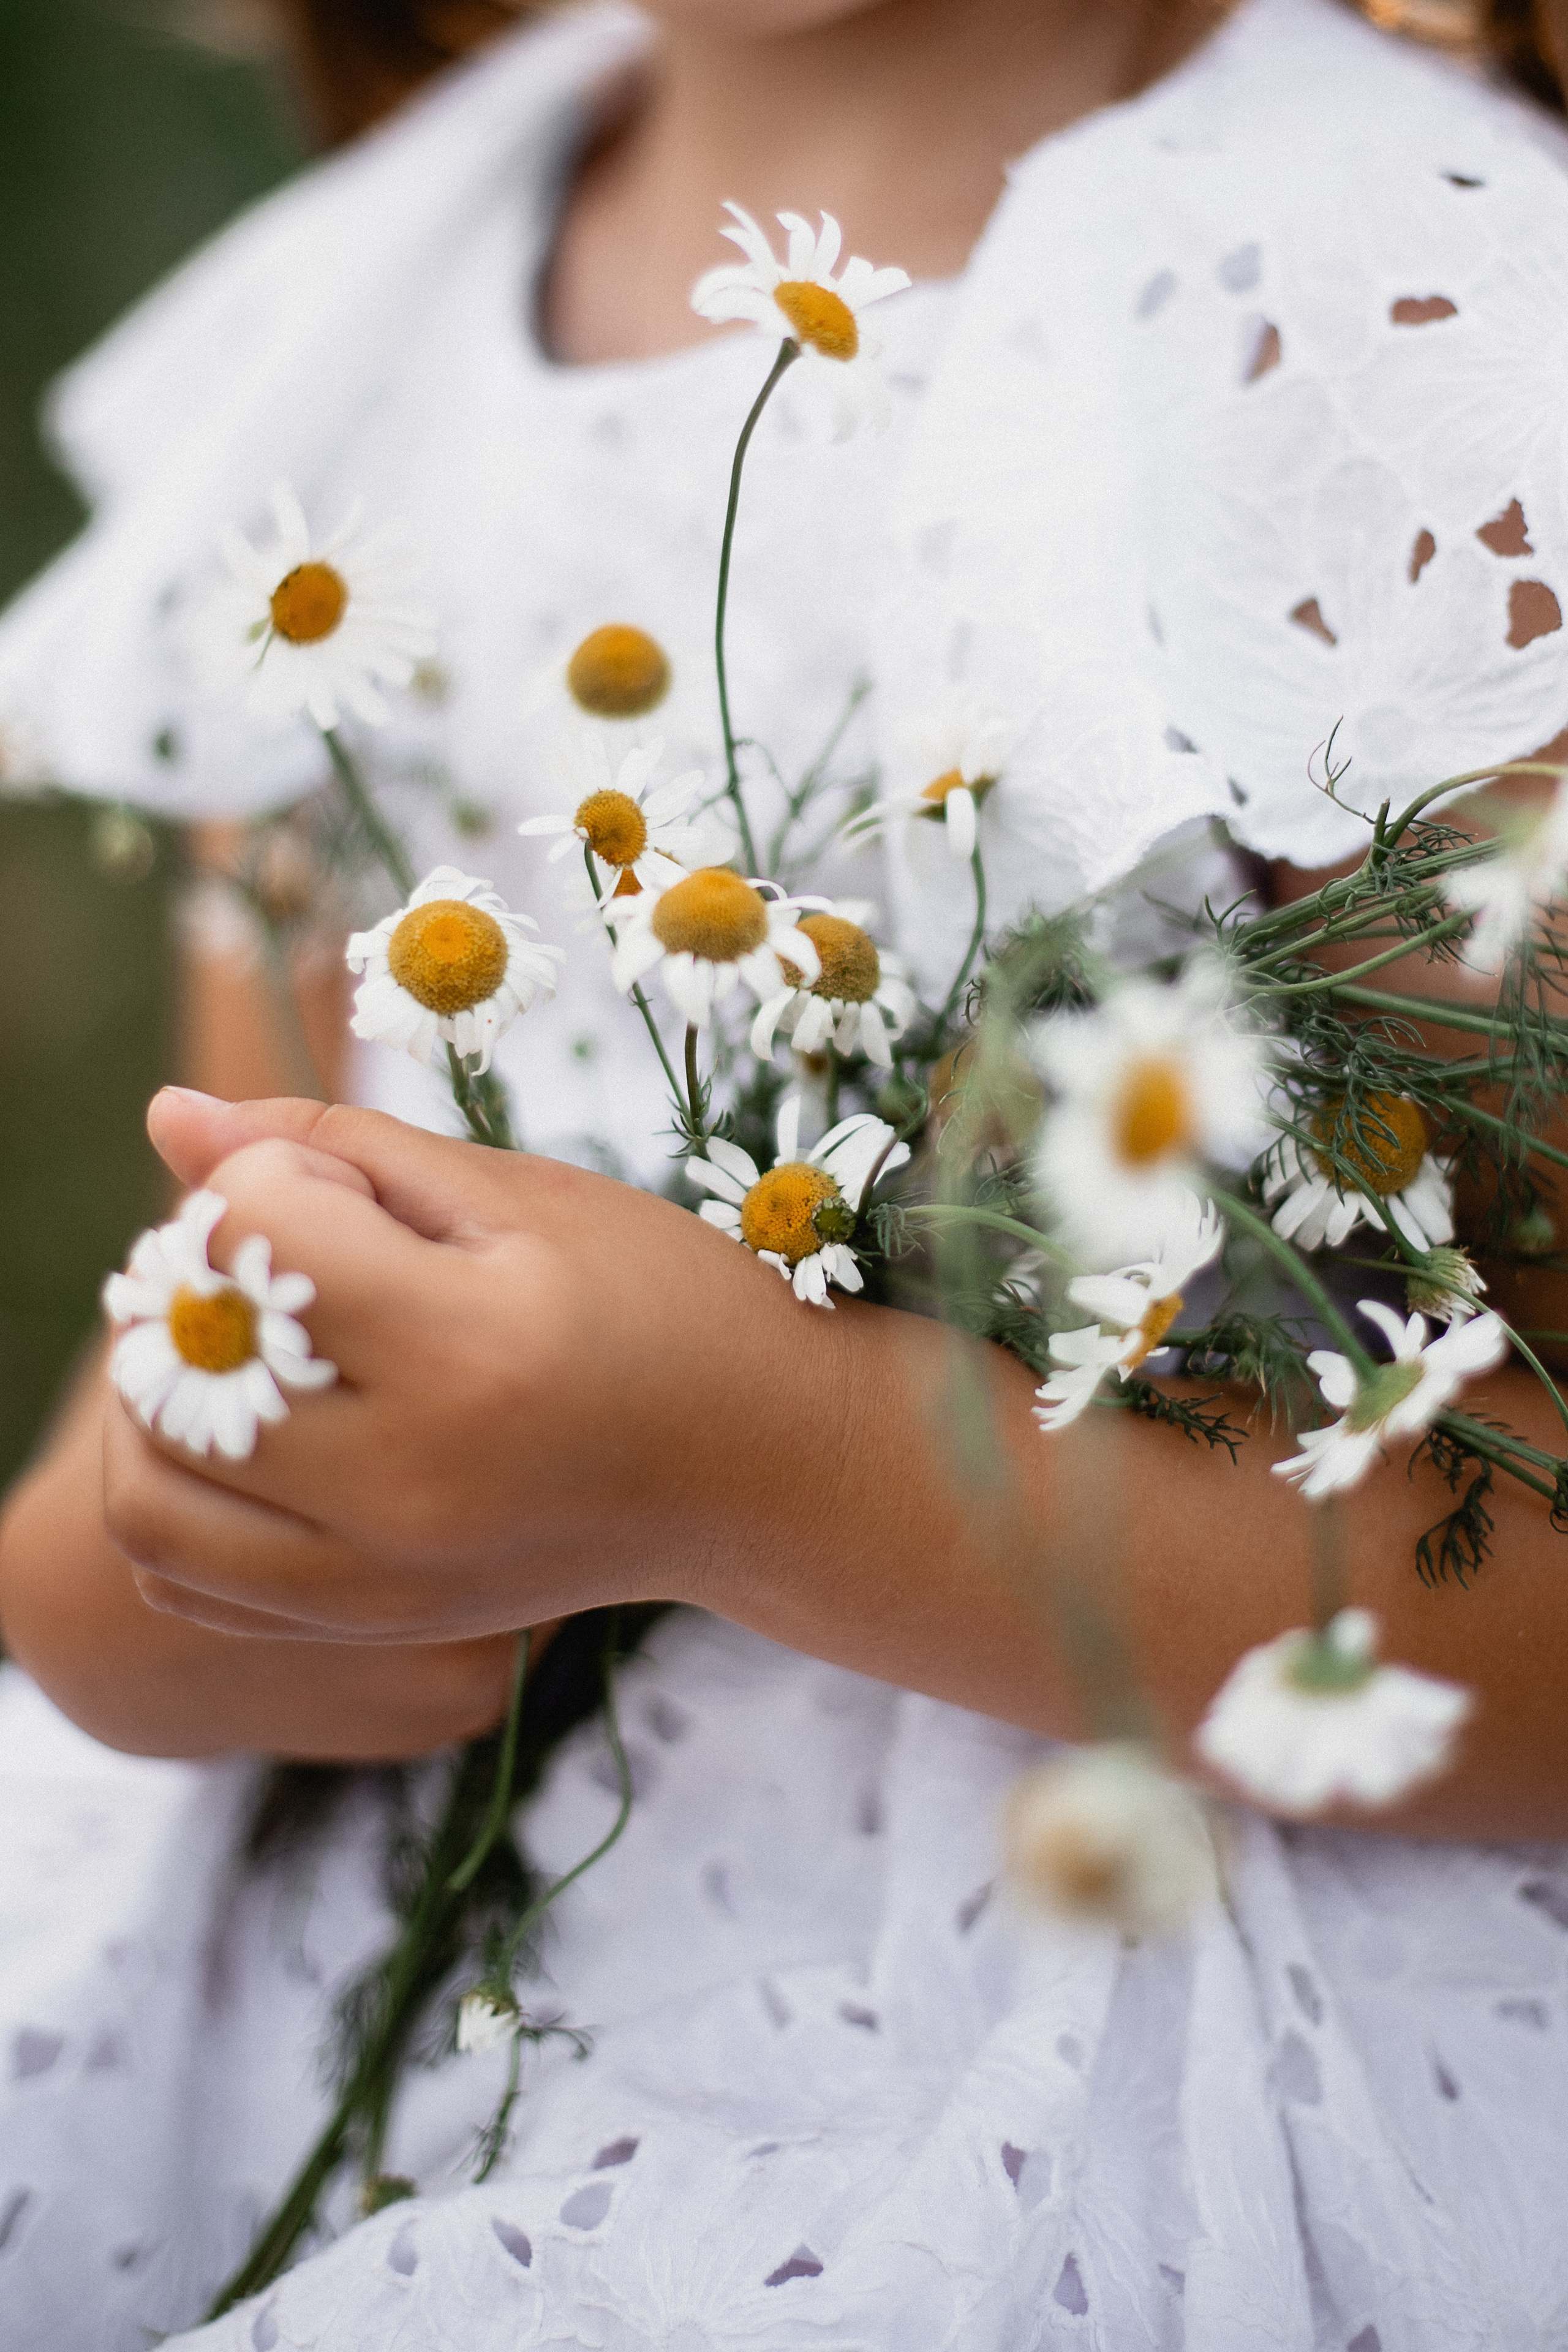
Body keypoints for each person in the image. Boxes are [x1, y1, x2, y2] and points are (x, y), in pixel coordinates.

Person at [2, 0, 1568, 2343]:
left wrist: (740, 1457)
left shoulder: (1403, 325)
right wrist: (156, 1571)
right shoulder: (387, 298)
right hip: (339, 1983)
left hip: (1104, 2026)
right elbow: (210, 1263)